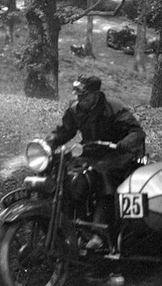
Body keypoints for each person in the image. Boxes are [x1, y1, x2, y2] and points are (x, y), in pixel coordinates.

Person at [45, 75, 146, 250]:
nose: (80, 99)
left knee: (104, 177)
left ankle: (99, 234)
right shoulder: (75, 110)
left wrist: (123, 144)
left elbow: (136, 132)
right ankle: (63, 225)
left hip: (116, 154)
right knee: (66, 173)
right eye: (78, 95)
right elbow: (65, 131)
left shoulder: (114, 109)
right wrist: (48, 143)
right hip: (91, 152)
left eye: (84, 95)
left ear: (96, 94)